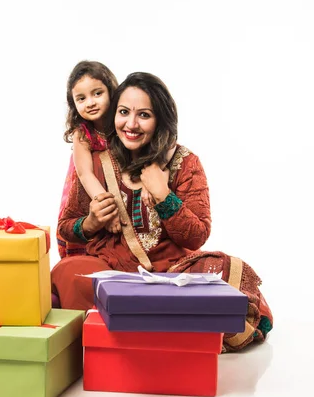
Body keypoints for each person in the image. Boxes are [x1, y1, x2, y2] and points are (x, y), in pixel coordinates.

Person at [52, 72, 273, 351]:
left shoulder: (185, 162)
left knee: (223, 270)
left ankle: (136, 329)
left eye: (144, 115)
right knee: (71, 271)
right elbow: (66, 226)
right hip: (112, 271)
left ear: (160, 119)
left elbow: (197, 237)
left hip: (171, 273)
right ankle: (155, 331)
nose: (130, 125)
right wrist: (91, 222)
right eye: (123, 112)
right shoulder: (98, 163)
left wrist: (163, 195)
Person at [57, 61, 159, 258]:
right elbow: (85, 175)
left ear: (112, 92)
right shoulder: (83, 134)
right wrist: (111, 212)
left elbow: (150, 151)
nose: (90, 102)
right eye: (81, 98)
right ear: (73, 103)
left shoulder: (125, 123)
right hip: (92, 188)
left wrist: (149, 183)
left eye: (97, 93)